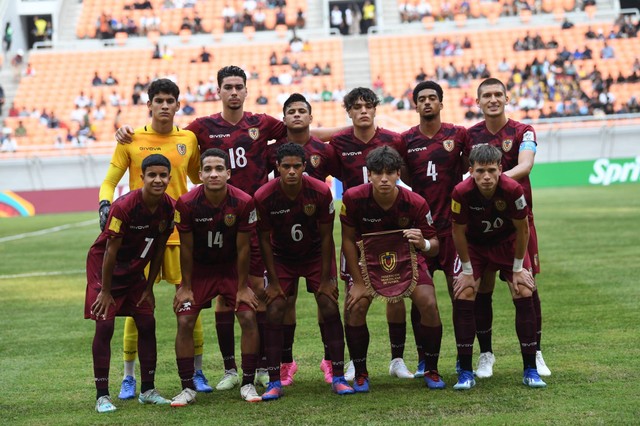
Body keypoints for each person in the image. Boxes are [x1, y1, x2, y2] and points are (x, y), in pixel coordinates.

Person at [115, 67, 341, 389]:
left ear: (246, 91)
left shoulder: (261, 123)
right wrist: (130, 133)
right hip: (220, 220)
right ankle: (230, 369)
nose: (233, 92)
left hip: (260, 219)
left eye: (239, 87)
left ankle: (263, 365)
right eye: (228, 87)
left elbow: (300, 127)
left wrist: (351, 128)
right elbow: (168, 135)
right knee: (225, 298)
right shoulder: (202, 127)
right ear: (218, 91)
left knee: (257, 293)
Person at [98, 79, 207, 399]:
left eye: (169, 100)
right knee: (136, 304)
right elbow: (109, 181)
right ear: (149, 105)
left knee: (190, 303)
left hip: (179, 234)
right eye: (158, 100)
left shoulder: (188, 138)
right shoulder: (131, 139)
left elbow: (200, 180)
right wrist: (105, 204)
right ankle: (129, 377)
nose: (164, 105)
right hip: (139, 239)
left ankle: (197, 372)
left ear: (177, 105)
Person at [255, 143, 354, 400]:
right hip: (281, 257)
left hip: (313, 255)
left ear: (304, 167)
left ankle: (339, 376)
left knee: (329, 305)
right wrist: (273, 283)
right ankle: (274, 381)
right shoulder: (264, 196)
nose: (291, 171)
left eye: (296, 166)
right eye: (286, 166)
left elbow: (325, 238)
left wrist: (325, 279)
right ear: (277, 167)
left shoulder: (320, 192)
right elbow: (264, 240)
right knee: (275, 308)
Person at [340, 146, 444, 392]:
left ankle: (431, 368)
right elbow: (346, 240)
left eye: (389, 172)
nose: (383, 178)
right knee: (355, 307)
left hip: (407, 260)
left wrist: (423, 243)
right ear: (369, 174)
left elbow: (435, 247)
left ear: (399, 174)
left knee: (428, 303)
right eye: (378, 173)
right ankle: (361, 372)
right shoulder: (353, 198)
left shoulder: (415, 202)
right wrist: (359, 281)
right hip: (367, 262)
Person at [465, 78, 550, 379]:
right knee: (482, 287)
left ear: (507, 98)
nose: (492, 99)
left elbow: (525, 166)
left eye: (498, 94)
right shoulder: (469, 135)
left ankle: (535, 352)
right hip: (480, 223)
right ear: (477, 102)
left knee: (525, 285)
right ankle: (486, 354)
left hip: (518, 220)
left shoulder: (523, 131)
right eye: (486, 95)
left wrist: (492, 184)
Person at [330, 87, 412, 381]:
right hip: (357, 229)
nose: (363, 110)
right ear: (348, 111)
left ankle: (398, 358)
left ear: (376, 108)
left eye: (368, 105)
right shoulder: (338, 142)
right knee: (353, 296)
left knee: (396, 293)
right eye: (356, 106)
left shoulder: (394, 140)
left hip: (390, 229)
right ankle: (355, 360)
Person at [450, 144, 546, 389]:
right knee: (465, 292)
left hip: (507, 243)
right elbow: (458, 233)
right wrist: (468, 271)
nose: (486, 177)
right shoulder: (460, 192)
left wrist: (517, 268)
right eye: (480, 170)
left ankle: (530, 369)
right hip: (475, 246)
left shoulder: (513, 189)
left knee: (523, 289)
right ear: (470, 170)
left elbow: (522, 229)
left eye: (492, 170)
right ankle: (465, 371)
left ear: (501, 170)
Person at [171, 148, 262, 406]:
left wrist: (243, 287)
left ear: (228, 173)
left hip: (231, 269)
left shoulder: (243, 201)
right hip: (199, 271)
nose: (213, 174)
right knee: (185, 320)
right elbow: (185, 247)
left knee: (247, 315)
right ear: (199, 174)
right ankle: (187, 387)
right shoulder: (187, 203)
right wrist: (185, 286)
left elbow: (244, 247)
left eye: (219, 169)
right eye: (208, 169)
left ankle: (247, 382)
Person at [85, 154, 175, 413]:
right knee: (105, 327)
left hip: (135, 271)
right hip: (104, 271)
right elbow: (110, 251)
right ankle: (102, 395)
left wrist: (149, 288)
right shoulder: (123, 206)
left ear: (169, 177)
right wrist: (104, 290)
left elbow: (159, 248)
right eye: (152, 175)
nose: (158, 179)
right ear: (141, 177)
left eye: (162, 175)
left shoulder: (169, 208)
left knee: (147, 322)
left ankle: (147, 389)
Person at [266, 94, 341, 385]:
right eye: (291, 111)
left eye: (302, 111)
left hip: (316, 239)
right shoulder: (272, 151)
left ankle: (329, 360)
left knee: (326, 299)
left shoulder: (324, 150)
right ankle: (286, 362)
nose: (297, 115)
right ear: (283, 118)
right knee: (285, 301)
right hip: (281, 237)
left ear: (311, 117)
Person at [400, 81, 467, 378]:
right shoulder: (405, 140)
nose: (427, 103)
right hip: (421, 231)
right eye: (422, 99)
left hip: (453, 230)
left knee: (461, 295)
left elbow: (467, 169)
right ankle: (425, 359)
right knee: (420, 297)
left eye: (432, 98)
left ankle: (463, 359)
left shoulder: (457, 135)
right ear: (415, 105)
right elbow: (403, 175)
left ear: (441, 103)